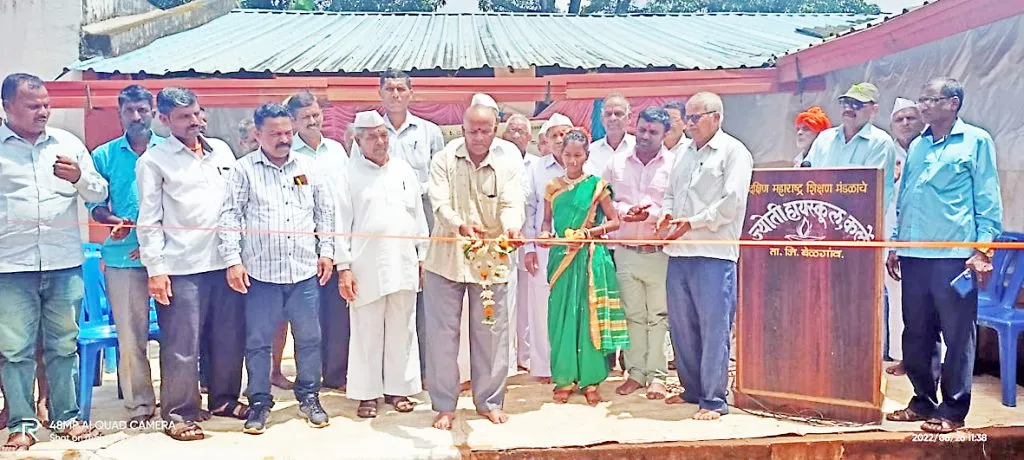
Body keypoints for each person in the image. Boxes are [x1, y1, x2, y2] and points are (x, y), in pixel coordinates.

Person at [885, 78, 1002, 434]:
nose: (922, 106)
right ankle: (922, 400)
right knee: (916, 332)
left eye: (930, 99)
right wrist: (895, 243)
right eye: (921, 99)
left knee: (957, 335)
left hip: (954, 257)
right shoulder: (917, 146)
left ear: (952, 103)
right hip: (915, 253)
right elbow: (904, 199)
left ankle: (952, 409)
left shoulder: (976, 141)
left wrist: (982, 250)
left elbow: (987, 199)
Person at [0, 72, 106, 451]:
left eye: (46, 103)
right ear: (8, 106)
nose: (43, 111)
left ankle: (67, 419)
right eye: (33, 105)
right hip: (9, 267)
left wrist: (79, 178)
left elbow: (98, 192)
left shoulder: (67, 142)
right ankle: (22, 424)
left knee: (64, 344)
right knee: (15, 350)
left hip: (63, 262)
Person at [136, 87, 248, 441]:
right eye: (184, 117)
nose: (194, 122)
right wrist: (156, 270)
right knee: (183, 345)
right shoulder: (153, 161)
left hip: (226, 261)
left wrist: (238, 257)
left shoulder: (223, 152)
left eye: (197, 114)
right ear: (165, 120)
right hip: (181, 266)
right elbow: (149, 220)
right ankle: (179, 413)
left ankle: (224, 399)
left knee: (228, 337)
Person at [218, 103, 334, 434]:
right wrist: (233, 260)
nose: (283, 139)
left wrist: (326, 252)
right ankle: (259, 402)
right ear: (258, 135)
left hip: (303, 272)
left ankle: (310, 396)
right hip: (260, 275)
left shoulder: (309, 167)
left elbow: (324, 213)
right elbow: (230, 216)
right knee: (258, 341)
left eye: (287, 132)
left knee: (310, 338)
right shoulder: (243, 170)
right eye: (275, 134)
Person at [423, 104, 525, 430]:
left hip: (491, 259)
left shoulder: (508, 159)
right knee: (441, 336)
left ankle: (490, 402)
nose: (478, 137)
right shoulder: (444, 158)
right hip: (446, 258)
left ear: (495, 129)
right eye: (472, 130)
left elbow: (513, 202)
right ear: (461, 129)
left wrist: (512, 228)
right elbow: (438, 202)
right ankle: (443, 406)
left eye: (485, 130)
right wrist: (459, 225)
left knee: (492, 334)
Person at [657, 91, 753, 421]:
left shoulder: (734, 152)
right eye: (686, 117)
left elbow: (732, 203)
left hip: (714, 254)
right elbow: (670, 194)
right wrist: (665, 216)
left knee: (715, 329)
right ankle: (692, 390)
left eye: (696, 117)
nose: (690, 124)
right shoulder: (682, 152)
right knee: (681, 327)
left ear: (717, 117)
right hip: (679, 251)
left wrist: (693, 223)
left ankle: (713, 399)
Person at [336, 111, 427, 419]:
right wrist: (343, 267)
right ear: (357, 140)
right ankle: (367, 394)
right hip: (365, 266)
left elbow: (418, 218)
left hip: (404, 261)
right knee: (367, 331)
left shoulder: (403, 169)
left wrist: (422, 257)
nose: (379, 141)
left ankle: (399, 389)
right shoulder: (347, 174)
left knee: (403, 327)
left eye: (383, 135)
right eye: (372, 136)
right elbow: (339, 224)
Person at [86, 84, 163, 424]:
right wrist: (115, 221)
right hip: (122, 257)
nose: (136, 117)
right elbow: (95, 206)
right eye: (129, 111)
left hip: (169, 257)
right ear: (119, 113)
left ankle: (180, 403)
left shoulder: (169, 150)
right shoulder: (103, 155)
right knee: (131, 338)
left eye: (142, 110)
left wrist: (151, 243)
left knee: (180, 335)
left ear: (153, 112)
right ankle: (140, 407)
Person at [538, 129, 626, 405]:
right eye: (567, 155)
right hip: (562, 258)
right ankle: (564, 379)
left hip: (589, 259)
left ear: (587, 156)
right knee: (561, 317)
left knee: (589, 317)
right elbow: (546, 222)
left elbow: (615, 222)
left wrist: (590, 233)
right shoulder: (552, 187)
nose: (572, 160)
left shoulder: (598, 186)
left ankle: (590, 380)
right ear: (560, 154)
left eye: (578, 155)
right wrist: (544, 235)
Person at [602, 107, 675, 400]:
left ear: (665, 135)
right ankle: (634, 373)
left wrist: (654, 214)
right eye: (642, 129)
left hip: (659, 252)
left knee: (658, 316)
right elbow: (603, 200)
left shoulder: (674, 165)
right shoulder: (616, 163)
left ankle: (657, 376)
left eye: (653, 132)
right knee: (632, 314)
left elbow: (677, 205)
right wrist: (624, 212)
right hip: (626, 251)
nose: (645, 136)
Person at [379, 69, 445, 381]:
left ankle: (427, 369)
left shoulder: (429, 132)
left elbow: (440, 179)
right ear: (380, 93)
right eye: (389, 89)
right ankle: (390, 372)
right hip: (385, 223)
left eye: (400, 89)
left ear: (410, 93)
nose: (395, 94)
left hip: (424, 217)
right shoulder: (370, 131)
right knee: (391, 291)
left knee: (425, 294)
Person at [287, 90, 350, 392]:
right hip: (305, 249)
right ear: (293, 122)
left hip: (339, 244)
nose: (313, 121)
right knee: (308, 321)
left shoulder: (337, 150)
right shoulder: (291, 156)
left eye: (316, 114)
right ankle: (309, 378)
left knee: (338, 315)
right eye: (305, 118)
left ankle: (336, 374)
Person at [522, 113, 574, 383]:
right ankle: (543, 367)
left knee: (570, 306)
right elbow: (529, 209)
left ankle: (569, 365)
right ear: (545, 140)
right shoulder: (535, 168)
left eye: (564, 133)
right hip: (543, 248)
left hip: (574, 248)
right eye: (554, 135)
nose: (560, 139)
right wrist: (529, 248)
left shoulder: (581, 167)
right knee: (541, 307)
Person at [884, 97, 927, 377]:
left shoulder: (929, 148)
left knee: (927, 301)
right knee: (898, 297)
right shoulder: (887, 151)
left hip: (926, 236)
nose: (905, 123)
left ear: (921, 120)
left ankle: (939, 361)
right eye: (899, 119)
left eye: (911, 118)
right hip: (890, 234)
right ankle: (902, 357)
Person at [803, 83, 897, 210]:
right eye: (845, 102)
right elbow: (805, 180)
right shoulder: (824, 138)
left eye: (856, 104)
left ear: (874, 110)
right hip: (821, 221)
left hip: (861, 225)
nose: (848, 108)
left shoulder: (881, 142)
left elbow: (866, 190)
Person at [503, 113, 536, 371]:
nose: (515, 136)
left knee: (526, 305)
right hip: (503, 242)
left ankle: (526, 355)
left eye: (520, 131)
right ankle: (507, 358)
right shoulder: (499, 157)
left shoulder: (535, 165)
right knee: (505, 303)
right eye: (510, 130)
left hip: (528, 242)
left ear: (530, 137)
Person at [586, 93, 635, 173]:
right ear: (602, 119)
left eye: (618, 114)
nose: (612, 118)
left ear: (629, 117)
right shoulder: (591, 151)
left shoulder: (639, 148)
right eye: (608, 114)